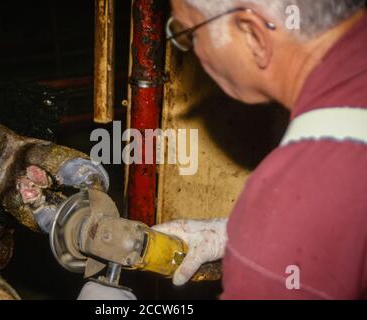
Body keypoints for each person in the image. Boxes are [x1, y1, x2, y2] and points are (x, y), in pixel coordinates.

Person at [78, 0, 367, 300]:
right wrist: (234, 236)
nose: (195, 52)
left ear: (253, 35)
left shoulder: (289, 201)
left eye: (190, 33)